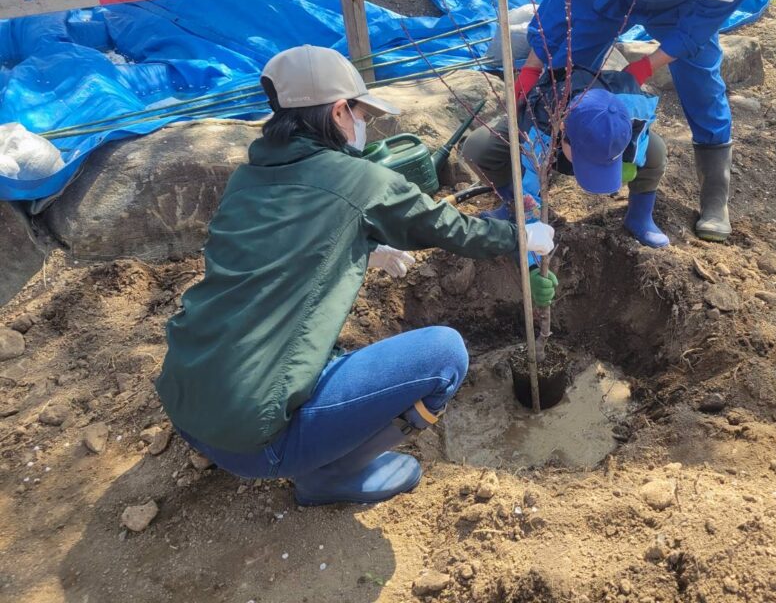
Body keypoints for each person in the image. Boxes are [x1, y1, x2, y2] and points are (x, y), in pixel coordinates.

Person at [155, 45, 555, 506]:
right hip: (255, 443)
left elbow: (290, 248)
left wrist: (368, 245)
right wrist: (519, 236)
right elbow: (449, 228)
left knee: (315, 341)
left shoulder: (248, 179)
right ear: (340, 110)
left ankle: (252, 437)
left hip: (187, 401)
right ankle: (331, 477)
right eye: (361, 112)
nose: (363, 125)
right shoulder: (358, 180)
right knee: (445, 353)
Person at [514, 0, 773, 243]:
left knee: (702, 79)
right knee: (566, 78)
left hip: (688, 7)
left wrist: (646, 66)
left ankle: (716, 195)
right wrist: (536, 61)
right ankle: (535, 188)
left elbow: (707, 18)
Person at [462, 67, 664, 305]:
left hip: (595, 128)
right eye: (587, 162)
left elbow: (641, 146)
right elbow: (528, 198)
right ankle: (508, 207)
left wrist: (629, 164)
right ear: (563, 132)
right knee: (479, 149)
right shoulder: (539, 134)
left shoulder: (633, 112)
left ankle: (639, 217)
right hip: (545, 130)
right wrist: (531, 267)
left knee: (657, 151)